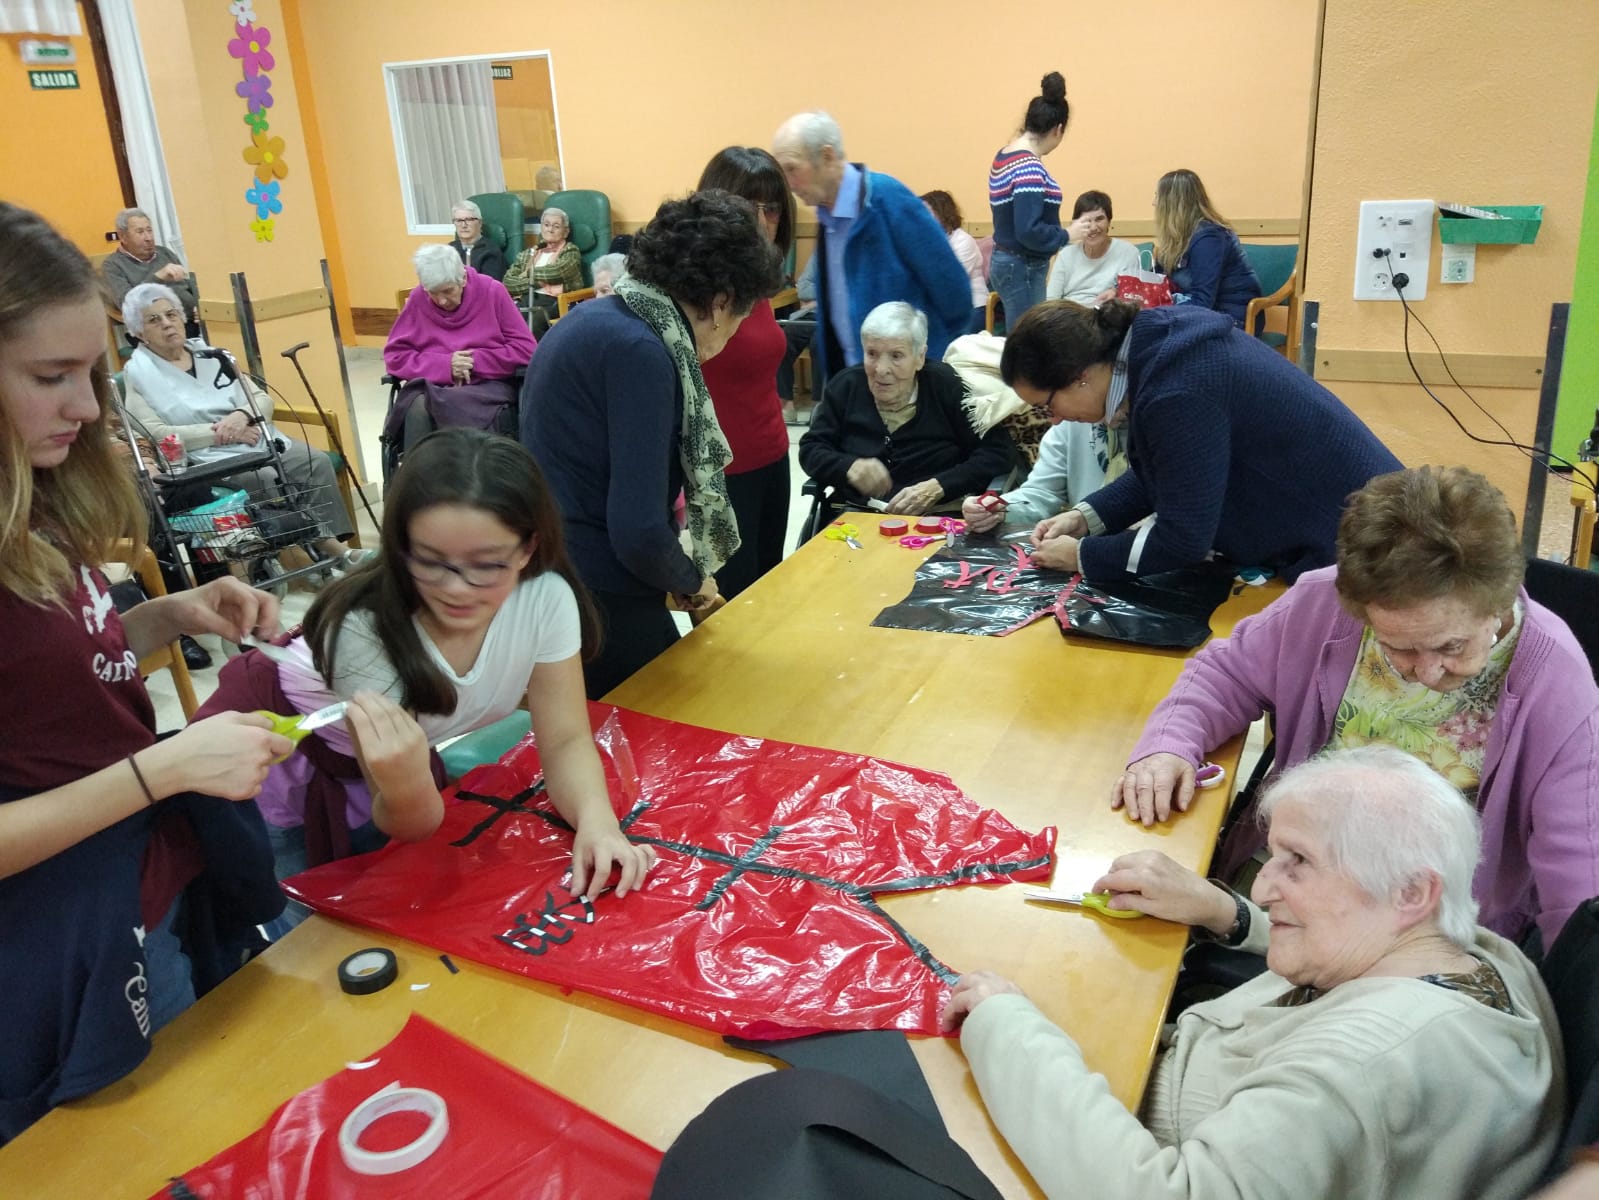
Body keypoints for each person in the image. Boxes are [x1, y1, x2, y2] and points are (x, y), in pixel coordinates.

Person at [945, 747, 1563, 1200]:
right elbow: (1367, 950)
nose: (1264, 885)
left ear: (1409, 891)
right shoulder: (1478, 952)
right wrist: (1226, 911)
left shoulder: (1353, 1072)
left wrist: (1007, 1031)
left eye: (1298, 863)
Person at [0, 203, 289, 1140]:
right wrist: (160, 770)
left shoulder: (27, 492)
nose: (85, 408)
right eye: (51, 377)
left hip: (142, 885)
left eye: (88, 373)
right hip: (63, 947)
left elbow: (38, 680)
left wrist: (163, 616)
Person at [1116, 465, 1599, 948]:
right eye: (1397, 647)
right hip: (1287, 882)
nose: (1426, 673)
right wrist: (1169, 745)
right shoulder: (1319, 603)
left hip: (1431, 930)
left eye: (1451, 647)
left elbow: (1577, 879)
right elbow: (1225, 673)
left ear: (1498, 604)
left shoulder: (1556, 681)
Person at [195, 428, 654, 930]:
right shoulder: (364, 632)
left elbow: (564, 738)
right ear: (399, 546)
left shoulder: (544, 598)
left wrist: (598, 823)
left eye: (487, 566)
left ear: (529, 549)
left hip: (387, 774)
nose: (456, 590)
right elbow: (407, 819)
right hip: (277, 766)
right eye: (431, 563)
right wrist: (409, 784)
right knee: (300, 930)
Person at [519, 190, 783, 699]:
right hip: (596, 591)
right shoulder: (640, 350)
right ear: (722, 302)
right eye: (740, 318)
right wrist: (691, 581)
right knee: (671, 721)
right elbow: (636, 527)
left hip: (565, 570)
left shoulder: (606, 319)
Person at [1000, 300, 1400, 581]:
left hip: (1371, 552)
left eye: (1046, 405)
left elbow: (1183, 539)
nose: (1052, 419)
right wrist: (1084, 518)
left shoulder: (1175, 390)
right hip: (1361, 527)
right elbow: (1174, 470)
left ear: (1079, 376)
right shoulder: (1156, 349)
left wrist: (1083, 557)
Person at [119, 283, 363, 571]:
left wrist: (241, 414)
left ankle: (330, 549)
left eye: (171, 314)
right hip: (206, 456)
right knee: (263, 475)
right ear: (138, 333)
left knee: (313, 461)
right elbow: (152, 432)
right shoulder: (138, 373)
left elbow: (260, 398)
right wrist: (222, 434)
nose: (167, 324)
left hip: (254, 434)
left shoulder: (212, 355)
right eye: (154, 320)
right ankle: (309, 557)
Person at [772, 111, 970, 385]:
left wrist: (924, 370)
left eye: (792, 169)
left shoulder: (887, 200)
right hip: (855, 385)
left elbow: (955, 294)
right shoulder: (827, 216)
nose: (789, 184)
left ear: (827, 157)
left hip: (907, 386)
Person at [800, 302, 1015, 520]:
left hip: (938, 519)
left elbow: (997, 452)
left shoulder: (946, 385)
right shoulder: (845, 386)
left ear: (920, 357)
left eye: (896, 356)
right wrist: (848, 466)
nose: (881, 370)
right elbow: (812, 449)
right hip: (857, 518)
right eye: (872, 354)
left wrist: (939, 486)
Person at [695, 146, 796, 599]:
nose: (760, 220)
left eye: (770, 208)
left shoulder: (757, 287)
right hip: (720, 476)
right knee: (732, 610)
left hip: (774, 458)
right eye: (746, 206)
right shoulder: (695, 292)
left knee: (768, 596)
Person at [383, 245, 536, 454]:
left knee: (442, 404)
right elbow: (395, 356)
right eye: (433, 294)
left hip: (487, 385)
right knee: (416, 404)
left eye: (448, 291)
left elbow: (526, 350)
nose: (442, 300)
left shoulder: (492, 291)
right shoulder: (420, 298)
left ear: (462, 278)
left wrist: (475, 361)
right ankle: (420, 480)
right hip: (434, 384)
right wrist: (445, 365)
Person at [987, 72, 1084, 327]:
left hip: (1006, 261)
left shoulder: (1004, 156)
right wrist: (1067, 235)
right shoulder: (1029, 167)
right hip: (1023, 266)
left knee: (1021, 337)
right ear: (1058, 129)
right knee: (1029, 341)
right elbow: (1027, 230)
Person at [1152, 169, 1261, 327]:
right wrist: (1120, 292)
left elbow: (1203, 302)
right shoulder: (1177, 239)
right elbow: (1156, 280)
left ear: (1172, 204)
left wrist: (1158, 312)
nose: (1154, 203)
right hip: (1202, 311)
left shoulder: (1209, 239)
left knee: (1149, 331)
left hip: (1231, 317)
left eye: (1158, 196)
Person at [959, 418, 1109, 532]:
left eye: (1050, 403)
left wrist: (1084, 554)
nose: (1053, 419)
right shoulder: (1067, 425)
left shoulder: (1130, 422)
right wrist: (1000, 509)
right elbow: (1043, 492)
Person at [101, 207, 199, 332]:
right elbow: (127, 303)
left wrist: (199, 306)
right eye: (140, 232)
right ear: (122, 236)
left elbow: (189, 283)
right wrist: (158, 277)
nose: (148, 238)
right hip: (155, 330)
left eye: (149, 230)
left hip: (192, 320)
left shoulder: (164, 253)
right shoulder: (112, 265)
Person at [1045, 190, 1142, 306]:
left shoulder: (1128, 253)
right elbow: (1051, 299)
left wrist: (1115, 292)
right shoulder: (1065, 255)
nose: (1093, 227)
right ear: (1076, 224)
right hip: (1069, 316)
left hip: (1107, 316)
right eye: (1086, 221)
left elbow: (1130, 299)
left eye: (1099, 219)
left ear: (1109, 222)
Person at [920, 190, 988, 334]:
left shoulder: (963, 241)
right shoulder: (925, 241)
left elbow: (950, 281)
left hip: (970, 307)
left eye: (927, 212)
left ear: (942, 213)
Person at [503, 205, 583, 322]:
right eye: (546, 225)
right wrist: (539, 283)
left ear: (565, 232)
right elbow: (508, 282)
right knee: (504, 317)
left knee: (535, 321)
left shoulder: (571, 251)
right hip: (526, 298)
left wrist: (528, 273)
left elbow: (556, 272)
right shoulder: (530, 252)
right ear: (541, 228)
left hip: (556, 301)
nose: (550, 229)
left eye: (556, 226)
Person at [447, 200, 508, 283]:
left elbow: (488, 288)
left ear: (480, 223)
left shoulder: (491, 252)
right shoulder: (448, 249)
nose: (464, 225)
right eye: (459, 220)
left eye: (469, 220)